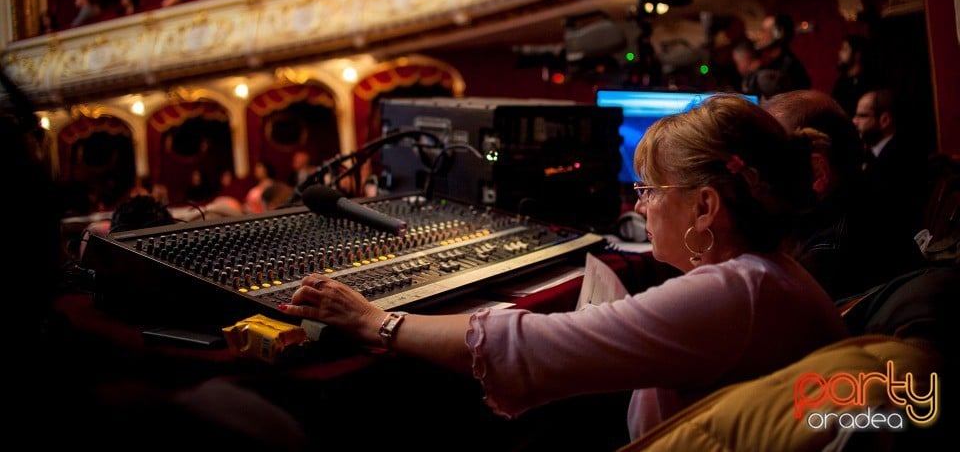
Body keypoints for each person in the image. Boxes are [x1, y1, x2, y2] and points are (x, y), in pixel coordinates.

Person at [279, 94, 847, 442]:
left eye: (650, 190)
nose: (641, 205)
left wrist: (374, 321)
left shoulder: (736, 291)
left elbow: (526, 346)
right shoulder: (765, 275)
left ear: (705, 207)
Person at [763, 90, 926, 300]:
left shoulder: (825, 256)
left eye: (767, 162)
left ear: (818, 172)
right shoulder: (866, 201)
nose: (756, 180)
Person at [853, 88, 928, 242]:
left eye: (862, 116)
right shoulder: (870, 154)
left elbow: (882, 210)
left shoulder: (902, 156)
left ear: (885, 120)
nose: (854, 121)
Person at [755, 12, 811, 94]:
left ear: (778, 33)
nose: (760, 35)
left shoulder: (790, 66)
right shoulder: (772, 63)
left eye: (764, 30)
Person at [831, 34, 875, 118]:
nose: (839, 53)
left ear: (857, 54)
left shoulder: (870, 82)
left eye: (845, 49)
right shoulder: (841, 82)